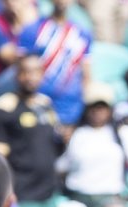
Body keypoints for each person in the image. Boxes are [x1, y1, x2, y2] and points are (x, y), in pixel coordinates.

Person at [0, 54, 65, 207]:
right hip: (22, 196)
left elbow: (54, 146)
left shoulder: (45, 105)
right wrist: (7, 192)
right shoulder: (5, 108)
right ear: (17, 75)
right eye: (25, 72)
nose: (31, 77)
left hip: (49, 195)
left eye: (36, 72)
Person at [58, 83, 128, 207]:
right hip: (79, 197)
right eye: (94, 107)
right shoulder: (77, 134)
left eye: (102, 107)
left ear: (110, 109)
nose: (98, 111)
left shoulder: (122, 133)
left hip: (110, 199)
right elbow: (62, 166)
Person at [16, 0, 93, 128]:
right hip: (37, 107)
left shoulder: (82, 33)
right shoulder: (32, 30)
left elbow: (86, 74)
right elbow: (21, 69)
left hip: (70, 109)